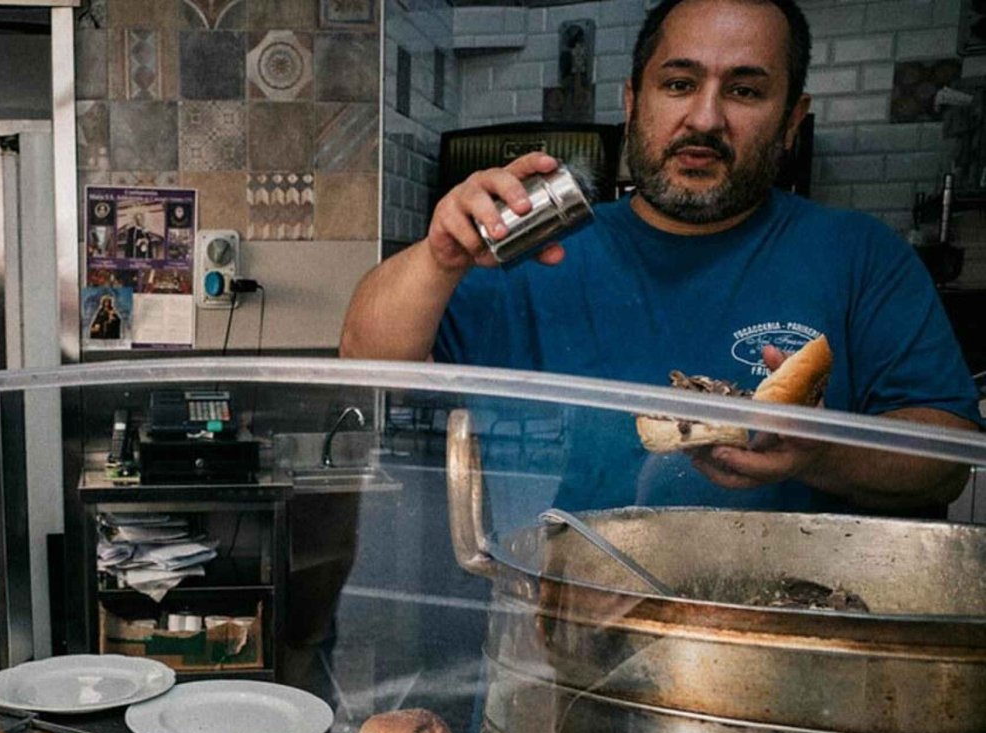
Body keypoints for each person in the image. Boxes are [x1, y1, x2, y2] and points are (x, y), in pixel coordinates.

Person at [342, 0, 980, 515]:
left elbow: (946, 460)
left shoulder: (859, 255)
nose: (704, 118)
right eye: (678, 84)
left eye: (746, 92)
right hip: (560, 631)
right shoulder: (537, 250)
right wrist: (439, 257)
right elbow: (367, 365)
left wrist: (820, 455)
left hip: (780, 640)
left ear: (792, 120)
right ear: (631, 103)